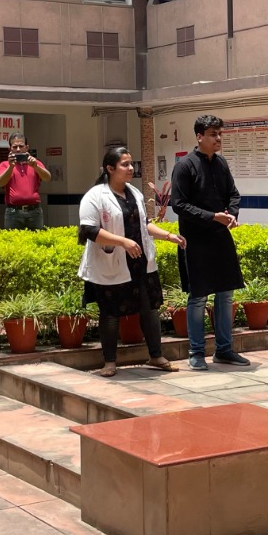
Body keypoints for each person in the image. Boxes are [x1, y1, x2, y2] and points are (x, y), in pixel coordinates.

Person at [78, 146, 185, 378]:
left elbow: (145, 224)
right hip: (111, 263)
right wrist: (123, 242)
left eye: (131, 164)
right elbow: (89, 231)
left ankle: (156, 355)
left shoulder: (134, 193)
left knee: (149, 309)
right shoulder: (95, 196)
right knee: (110, 313)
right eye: (125, 164)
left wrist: (169, 236)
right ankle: (109, 362)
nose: (130, 168)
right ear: (110, 168)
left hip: (139, 262)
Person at [169, 114, 249, 371]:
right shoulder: (184, 166)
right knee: (198, 297)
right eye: (213, 134)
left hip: (220, 237)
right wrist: (212, 217)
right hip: (195, 239)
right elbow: (178, 204)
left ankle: (224, 350)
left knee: (225, 294)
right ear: (199, 136)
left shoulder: (221, 163)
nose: (218, 139)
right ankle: (196, 352)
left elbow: (233, 194)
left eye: (220, 134)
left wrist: (232, 215)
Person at [0, 133, 52, 230]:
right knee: (13, 238)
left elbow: (47, 178)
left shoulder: (35, 163)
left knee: (36, 238)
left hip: (34, 211)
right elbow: (1, 182)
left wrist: (35, 166)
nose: (18, 149)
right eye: (15, 147)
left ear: (27, 148)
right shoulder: (4, 165)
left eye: (21, 146)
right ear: (10, 149)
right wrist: (11, 167)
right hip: (13, 212)